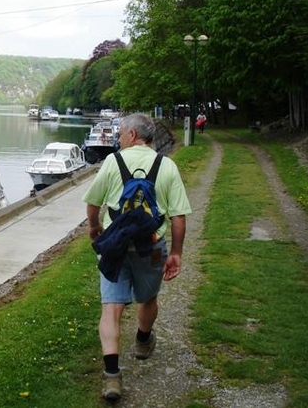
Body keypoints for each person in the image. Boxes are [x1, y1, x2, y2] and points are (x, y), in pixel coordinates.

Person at [82, 113, 192, 401]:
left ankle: (112, 376)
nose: (118, 138)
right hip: (153, 247)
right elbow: (179, 216)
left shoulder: (111, 162)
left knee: (111, 308)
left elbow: (93, 203)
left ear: (132, 135)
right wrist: (177, 254)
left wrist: (94, 228)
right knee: (148, 298)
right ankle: (143, 342)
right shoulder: (167, 166)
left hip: (115, 246)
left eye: (120, 134)